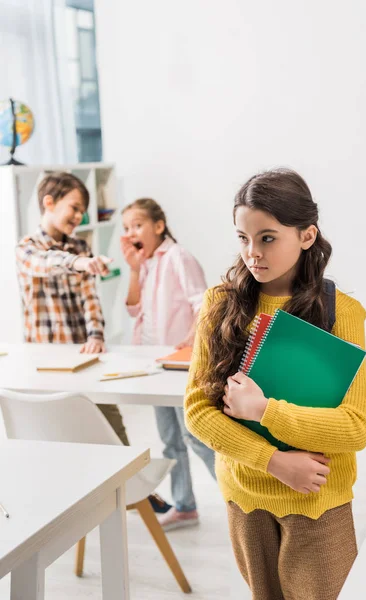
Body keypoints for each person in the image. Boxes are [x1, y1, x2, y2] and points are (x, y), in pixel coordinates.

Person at [184, 168, 366, 599]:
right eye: (243, 238)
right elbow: (197, 412)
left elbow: (356, 427)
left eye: (267, 238)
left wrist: (265, 411)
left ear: (307, 236)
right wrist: (273, 460)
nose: (253, 253)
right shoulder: (220, 303)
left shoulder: (341, 312)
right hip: (244, 496)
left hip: (317, 501)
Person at [121, 197, 216, 530]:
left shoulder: (178, 256)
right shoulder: (144, 264)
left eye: (137, 225)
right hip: (153, 365)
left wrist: (193, 335)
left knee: (196, 436)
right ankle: (186, 505)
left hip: (180, 366)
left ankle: (242, 501)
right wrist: (134, 269)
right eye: (127, 228)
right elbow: (133, 309)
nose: (131, 232)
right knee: (170, 439)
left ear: (158, 227)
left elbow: (204, 302)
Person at [16, 171, 129, 445]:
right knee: (64, 435)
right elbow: (44, 262)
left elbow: (90, 298)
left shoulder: (81, 246)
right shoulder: (27, 247)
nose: (79, 217)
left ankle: (136, 487)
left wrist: (96, 336)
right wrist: (78, 263)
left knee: (113, 429)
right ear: (49, 202)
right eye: (74, 208)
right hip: (47, 363)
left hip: (84, 355)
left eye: (83, 211)